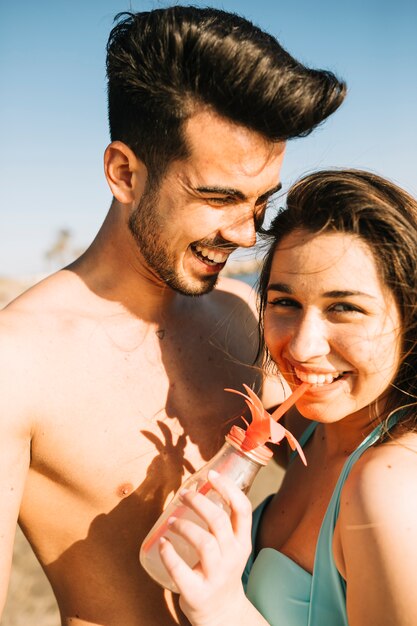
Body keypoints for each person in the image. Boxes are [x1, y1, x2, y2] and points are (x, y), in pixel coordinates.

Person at [0, 6, 345, 626]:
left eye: (261, 202)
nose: (246, 235)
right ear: (125, 173)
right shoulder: (16, 363)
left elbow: (339, 475)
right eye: (219, 198)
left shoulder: (246, 315)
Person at [159, 169, 417, 626]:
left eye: (345, 308)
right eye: (285, 303)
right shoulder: (314, 428)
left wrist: (223, 609)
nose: (301, 347)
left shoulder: (391, 487)